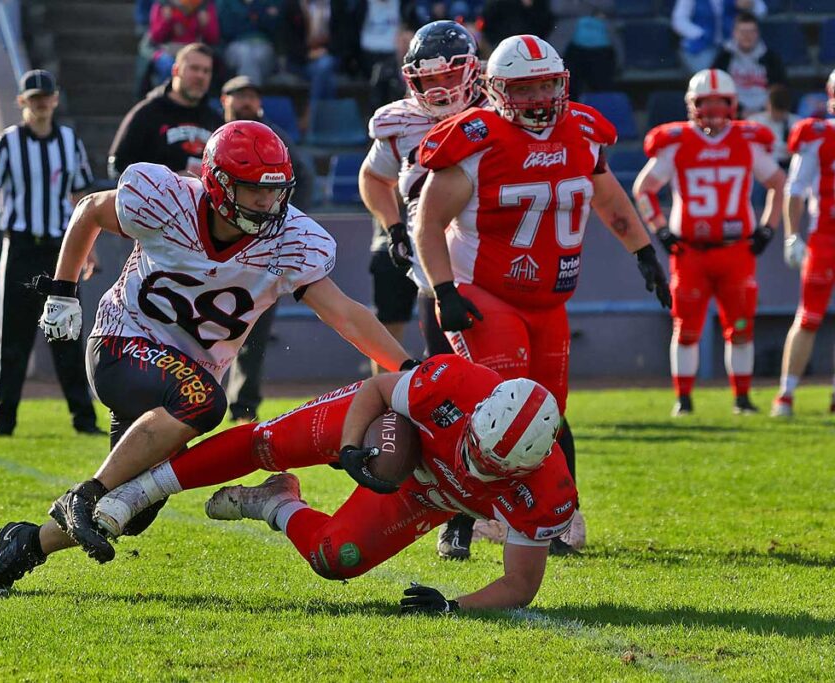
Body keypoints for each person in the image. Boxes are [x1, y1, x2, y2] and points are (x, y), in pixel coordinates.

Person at [0, 121, 415, 595]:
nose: (267, 204)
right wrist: (63, 292)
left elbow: (346, 315)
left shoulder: (289, 240)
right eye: (253, 192)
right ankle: (84, 494)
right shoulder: (168, 201)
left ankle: (23, 547)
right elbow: (89, 211)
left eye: (274, 192)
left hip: (180, 382)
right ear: (219, 183)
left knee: (131, 511)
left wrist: (409, 372)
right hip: (123, 342)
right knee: (204, 404)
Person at [414, 34, 672, 557]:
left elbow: (606, 195)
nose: (537, 98)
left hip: (550, 301)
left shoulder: (581, 130)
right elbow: (428, 223)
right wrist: (444, 291)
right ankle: (461, 520)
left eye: (547, 84)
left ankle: (547, 521)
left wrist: (643, 251)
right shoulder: (476, 138)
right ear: (495, 90)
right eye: (524, 87)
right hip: (486, 293)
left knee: (548, 413)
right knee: (506, 409)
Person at [89, 356, 576, 612]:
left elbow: (520, 584)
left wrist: (453, 606)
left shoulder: (548, 494)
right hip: (387, 425)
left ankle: (275, 503)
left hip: (427, 495)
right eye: (475, 446)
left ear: (527, 467)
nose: (475, 464)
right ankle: (139, 491)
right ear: (478, 413)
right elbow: (378, 387)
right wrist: (349, 448)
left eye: (492, 465)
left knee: (335, 559)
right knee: (268, 444)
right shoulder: (452, 385)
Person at [359, 20, 481, 558]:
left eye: (449, 71)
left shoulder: (495, 115)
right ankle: (458, 513)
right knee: (447, 393)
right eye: (426, 75)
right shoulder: (400, 123)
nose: (437, 85)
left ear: (473, 71)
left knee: (517, 390)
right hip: (437, 274)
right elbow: (373, 177)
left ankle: (547, 512)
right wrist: (391, 228)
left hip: (492, 267)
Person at [633, 69, 785, 417]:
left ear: (732, 104)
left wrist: (768, 229)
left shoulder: (747, 141)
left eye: (719, 102)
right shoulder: (676, 143)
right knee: (685, 329)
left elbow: (779, 183)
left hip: (736, 250)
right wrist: (661, 230)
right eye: (706, 103)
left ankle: (742, 399)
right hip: (691, 252)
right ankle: (684, 400)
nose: (713, 110)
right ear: (692, 105)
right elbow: (643, 190)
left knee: (742, 327)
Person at [0, 70, 102, 438]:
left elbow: (82, 201)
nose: (41, 102)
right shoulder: (8, 142)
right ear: (22, 102)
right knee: (13, 335)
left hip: (60, 249)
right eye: (34, 97)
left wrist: (87, 249)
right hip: (21, 247)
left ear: (56, 99)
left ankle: (84, 419)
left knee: (68, 332)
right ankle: (4, 420)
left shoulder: (69, 142)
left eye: (46, 96)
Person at [218, 74, 315, 424]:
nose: (246, 101)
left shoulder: (273, 139)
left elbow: (301, 177)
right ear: (223, 100)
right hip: (209, 243)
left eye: (251, 96)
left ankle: (243, 407)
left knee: (254, 326)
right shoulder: (210, 134)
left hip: (259, 247)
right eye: (238, 95)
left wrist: (281, 218)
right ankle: (190, 400)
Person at [770, 71, 835, 418]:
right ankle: (786, 394)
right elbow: (794, 189)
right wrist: (793, 234)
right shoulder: (820, 135)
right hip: (826, 236)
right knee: (808, 317)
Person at [110, 42, 223, 179]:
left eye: (206, 71)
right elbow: (117, 167)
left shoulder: (215, 120)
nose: (200, 76)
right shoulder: (147, 113)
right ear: (176, 71)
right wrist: (168, 183)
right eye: (194, 68)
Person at [710, 11, 786, 117]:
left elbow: (779, 89)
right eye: (743, 32)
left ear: (757, 33)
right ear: (734, 33)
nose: (747, 36)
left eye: (751, 32)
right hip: (732, 115)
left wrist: (765, 110)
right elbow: (716, 89)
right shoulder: (724, 57)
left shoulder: (771, 58)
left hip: (767, 114)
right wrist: (739, 111)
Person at [142, 0, 220, 96]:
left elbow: (213, 38)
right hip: (168, 50)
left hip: (195, 51)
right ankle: (166, 96)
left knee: (202, 66)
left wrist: (205, 24)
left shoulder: (204, 5)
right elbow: (156, 37)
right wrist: (166, 21)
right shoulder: (163, 4)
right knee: (166, 64)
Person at [671, 0, 766, 74]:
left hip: (731, 45)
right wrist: (700, 34)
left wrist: (751, 5)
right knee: (707, 76)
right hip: (700, 47)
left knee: (743, 71)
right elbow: (678, 21)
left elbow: (761, 11)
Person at [748, 85, 801, 170]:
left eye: (781, 111)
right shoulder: (754, 123)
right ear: (767, 104)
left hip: (787, 167)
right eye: (775, 110)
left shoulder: (798, 124)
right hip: (762, 169)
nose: (778, 115)